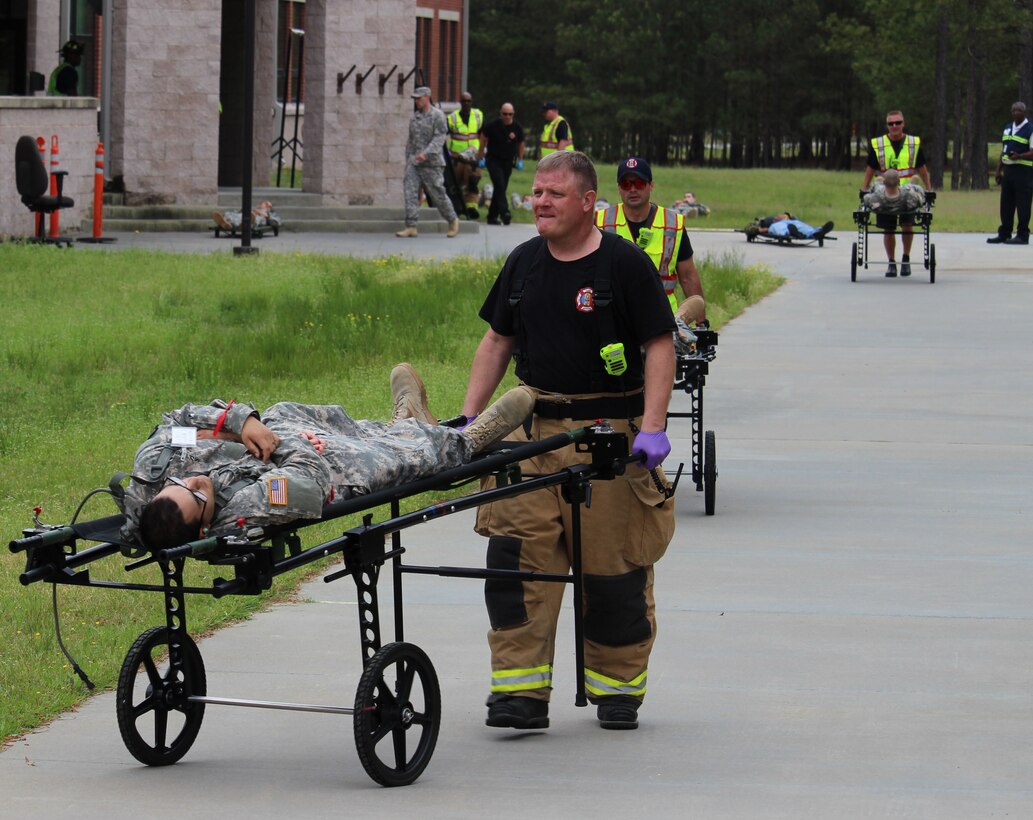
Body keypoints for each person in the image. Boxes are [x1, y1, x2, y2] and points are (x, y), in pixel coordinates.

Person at [461, 151, 676, 732]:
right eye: (536, 193)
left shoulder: (625, 266)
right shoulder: (525, 262)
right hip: (530, 436)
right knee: (515, 563)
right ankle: (520, 694)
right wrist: (467, 420)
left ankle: (618, 690)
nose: (541, 202)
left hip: (607, 440)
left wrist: (652, 427)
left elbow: (661, 345)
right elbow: (496, 343)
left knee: (612, 570)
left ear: (588, 202)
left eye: (555, 193)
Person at [122, 364, 534, 548]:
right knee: (369, 458)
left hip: (283, 428)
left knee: (333, 424)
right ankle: (464, 440)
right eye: (195, 495)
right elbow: (308, 485)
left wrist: (239, 420)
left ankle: (406, 421)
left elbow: (177, 423)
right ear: (203, 528)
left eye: (180, 484)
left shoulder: (160, 468)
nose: (193, 481)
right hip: (321, 462)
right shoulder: (245, 512)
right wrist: (286, 444)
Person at [595, 156, 707, 325]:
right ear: (619, 188)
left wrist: (701, 323)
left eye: (639, 183)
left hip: (663, 318)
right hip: (615, 318)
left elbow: (688, 276)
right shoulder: (600, 222)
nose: (632, 189)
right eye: (626, 184)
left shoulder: (673, 224)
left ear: (651, 185)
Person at [861, 110, 933, 277]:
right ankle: (891, 262)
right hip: (885, 193)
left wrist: (928, 188)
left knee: (907, 226)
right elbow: (870, 168)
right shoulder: (878, 144)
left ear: (903, 123)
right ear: (887, 125)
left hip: (907, 194)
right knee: (889, 229)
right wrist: (864, 188)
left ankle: (905, 259)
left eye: (898, 122)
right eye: (891, 123)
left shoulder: (913, 143)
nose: (894, 126)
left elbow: (922, 168)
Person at [397, 87, 460, 239]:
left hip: (431, 163)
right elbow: (411, 141)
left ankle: (452, 220)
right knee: (410, 191)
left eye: (419, 98)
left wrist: (426, 154)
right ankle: (411, 226)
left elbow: (439, 138)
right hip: (414, 162)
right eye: (415, 99)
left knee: (437, 193)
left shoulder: (437, 116)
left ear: (427, 97)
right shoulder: (415, 117)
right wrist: (408, 160)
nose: (416, 101)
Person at [988, 101, 1033, 245]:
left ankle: (1023, 235)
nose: (1015, 113)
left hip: (1024, 172)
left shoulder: (1030, 129)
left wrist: (1019, 156)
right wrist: (998, 170)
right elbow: (1004, 150)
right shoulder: (1008, 128)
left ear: (1024, 112)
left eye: (1018, 110)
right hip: (1008, 170)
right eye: (1013, 110)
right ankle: (1004, 233)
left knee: (1023, 204)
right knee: (1006, 204)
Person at [478, 102, 526, 225]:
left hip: (508, 161)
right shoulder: (493, 125)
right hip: (493, 159)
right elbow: (483, 137)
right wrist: (480, 155)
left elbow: (521, 143)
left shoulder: (517, 127)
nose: (507, 116)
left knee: (501, 187)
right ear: (501, 113)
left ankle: (492, 217)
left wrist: (520, 159)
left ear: (513, 114)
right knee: (499, 184)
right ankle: (505, 212)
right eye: (504, 114)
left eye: (510, 114)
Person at [447, 91, 485, 209]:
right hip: (457, 158)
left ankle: (471, 207)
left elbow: (483, 135)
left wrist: (482, 154)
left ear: (471, 102)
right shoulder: (452, 118)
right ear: (460, 102)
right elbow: (443, 135)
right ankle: (456, 207)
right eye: (464, 101)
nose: (466, 103)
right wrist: (447, 153)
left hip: (473, 158)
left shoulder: (478, 115)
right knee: (455, 183)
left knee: (472, 181)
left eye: (468, 101)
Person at [744, 212, 834, 241]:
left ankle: (818, 232)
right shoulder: (767, 222)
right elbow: (750, 229)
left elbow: (791, 219)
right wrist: (760, 230)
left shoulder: (791, 219)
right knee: (784, 228)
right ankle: (795, 233)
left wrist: (787, 217)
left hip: (791, 224)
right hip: (775, 226)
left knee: (801, 226)